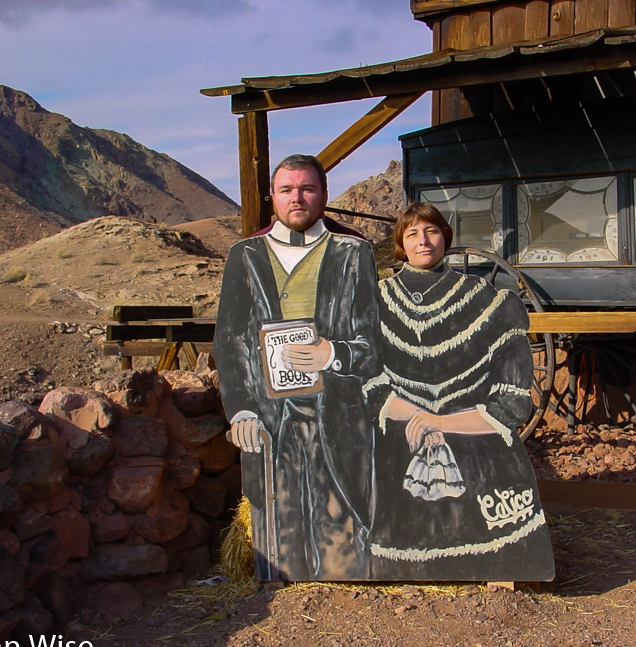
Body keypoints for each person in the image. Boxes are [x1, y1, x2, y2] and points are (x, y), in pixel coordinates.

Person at [364, 202, 555, 581]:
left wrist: (441, 421)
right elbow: (365, 382)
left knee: (500, 549)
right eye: (413, 233)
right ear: (401, 243)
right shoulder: (373, 302)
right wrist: (414, 416)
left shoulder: (490, 302)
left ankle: (500, 569)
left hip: (479, 447)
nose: (424, 241)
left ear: (446, 238)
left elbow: (513, 401)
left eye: (432, 231)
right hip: (397, 445)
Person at [213, 154, 378, 581]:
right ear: (273, 197)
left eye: (307, 188)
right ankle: (282, 601)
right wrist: (242, 408)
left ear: (324, 195)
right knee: (277, 521)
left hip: (337, 412)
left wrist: (334, 355)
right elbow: (230, 342)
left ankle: (346, 606)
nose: (297, 198)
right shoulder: (244, 255)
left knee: (342, 528)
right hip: (270, 418)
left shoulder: (353, 253)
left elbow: (374, 342)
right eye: (287, 190)